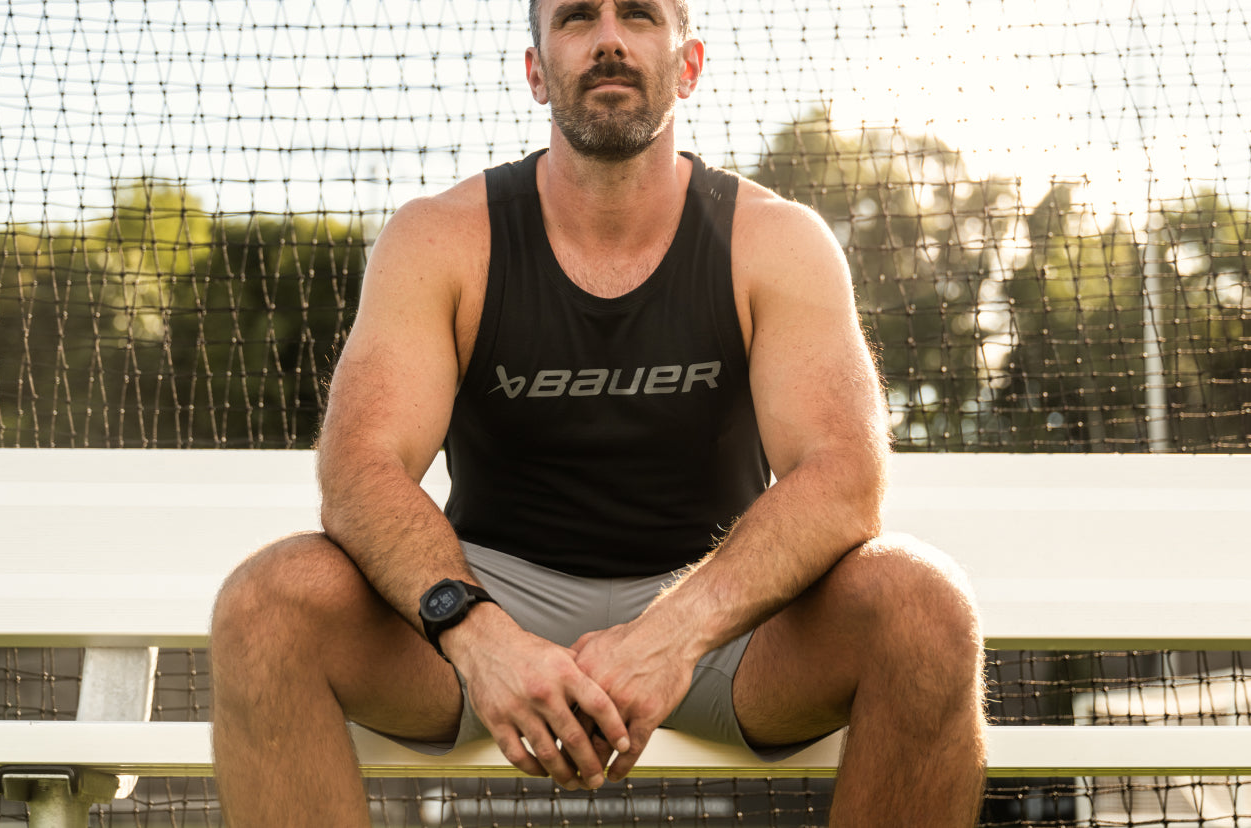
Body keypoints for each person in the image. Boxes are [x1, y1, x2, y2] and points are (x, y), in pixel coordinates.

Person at [209, 0, 987, 825]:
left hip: (723, 618)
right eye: (579, 17)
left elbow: (843, 477)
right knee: (268, 608)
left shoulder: (774, 239)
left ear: (687, 64)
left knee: (924, 608)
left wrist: (671, 636)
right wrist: (479, 638)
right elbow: (360, 468)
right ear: (537, 70)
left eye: (640, 16)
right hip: (491, 599)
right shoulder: (439, 238)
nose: (610, 38)